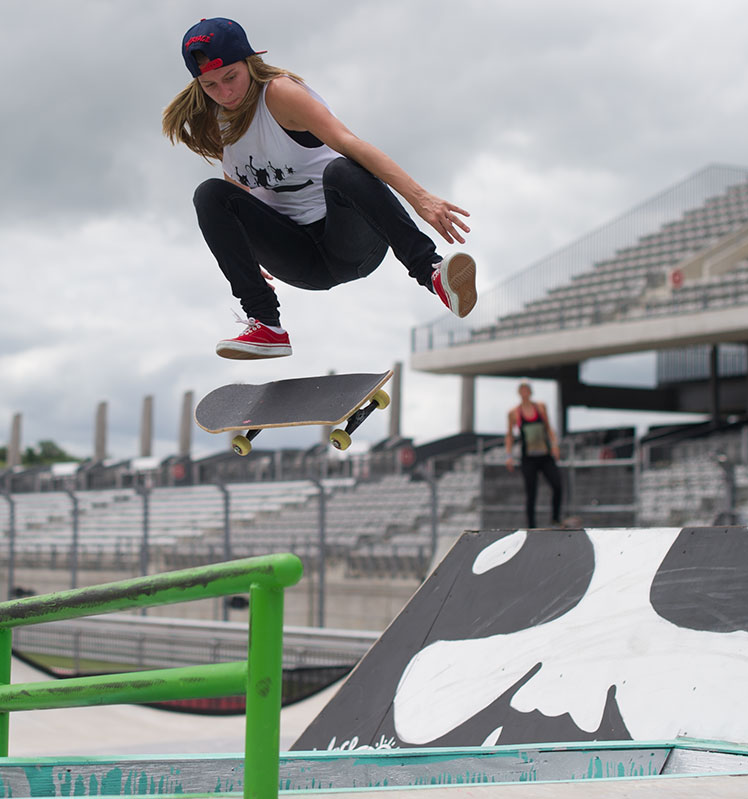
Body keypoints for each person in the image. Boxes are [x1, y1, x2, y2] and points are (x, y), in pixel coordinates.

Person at [162, 17, 477, 359]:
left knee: (341, 169)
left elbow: (350, 143)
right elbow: (237, 188)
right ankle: (266, 324)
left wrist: (421, 198)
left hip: (348, 240)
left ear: (250, 63)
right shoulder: (213, 118)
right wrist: (248, 254)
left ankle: (431, 272)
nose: (225, 94)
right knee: (209, 194)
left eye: (230, 78)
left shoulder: (280, 95)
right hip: (300, 259)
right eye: (210, 85)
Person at [505, 383, 563, 528]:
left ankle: (555, 518)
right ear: (519, 393)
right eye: (522, 390)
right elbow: (509, 435)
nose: (525, 393)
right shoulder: (514, 413)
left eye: (527, 390)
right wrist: (508, 455)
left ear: (530, 392)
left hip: (544, 455)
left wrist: (555, 445)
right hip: (528, 457)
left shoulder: (540, 407)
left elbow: (549, 428)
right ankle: (531, 526)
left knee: (557, 485)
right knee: (531, 492)